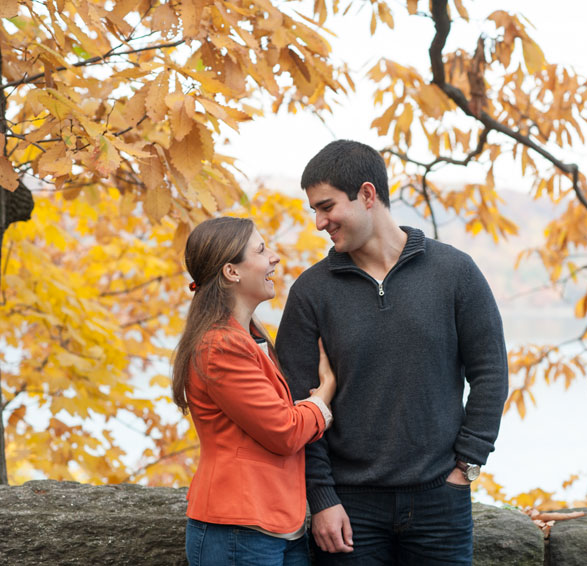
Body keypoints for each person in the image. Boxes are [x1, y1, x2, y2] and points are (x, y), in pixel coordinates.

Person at [276, 140, 509, 565]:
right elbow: (294, 404)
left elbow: (491, 373)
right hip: (348, 511)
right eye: (314, 210)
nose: (318, 222)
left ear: (367, 195)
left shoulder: (454, 272)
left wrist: (467, 467)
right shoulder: (311, 293)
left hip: (441, 502)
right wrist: (322, 496)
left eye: (326, 206)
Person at [172, 216, 336, 566]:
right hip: (239, 529)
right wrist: (322, 398)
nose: (274, 257)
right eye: (261, 250)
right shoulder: (219, 346)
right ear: (232, 272)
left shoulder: (249, 337)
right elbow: (285, 432)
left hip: (277, 526)